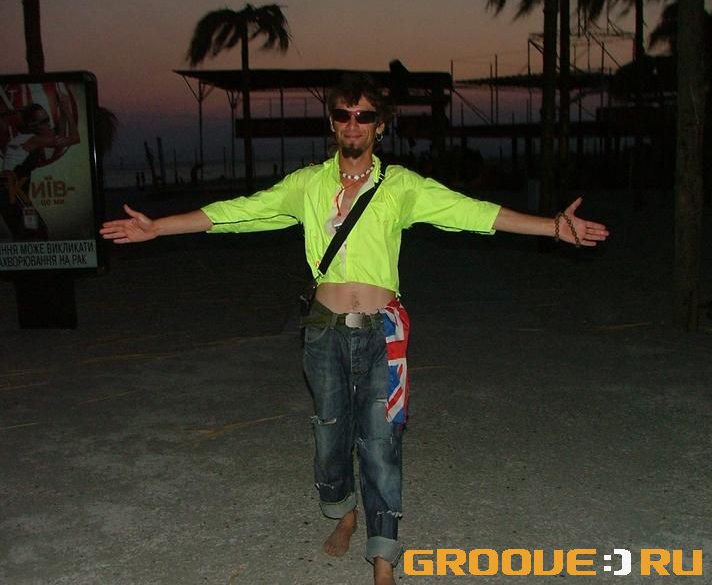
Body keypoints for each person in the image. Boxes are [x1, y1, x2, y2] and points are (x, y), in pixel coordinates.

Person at [100, 74, 609, 585]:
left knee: (381, 439)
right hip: (324, 332)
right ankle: (342, 511)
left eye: (364, 115)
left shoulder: (402, 186)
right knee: (330, 433)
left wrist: (552, 227)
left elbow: (474, 212)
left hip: (383, 333)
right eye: (344, 114)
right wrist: (157, 227)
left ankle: (383, 556)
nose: (353, 123)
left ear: (379, 126)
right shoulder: (307, 185)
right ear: (332, 122)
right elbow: (239, 212)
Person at [0, 94, 79, 240]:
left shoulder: (25, 138)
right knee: (36, 232)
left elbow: (60, 135)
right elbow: (74, 138)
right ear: (32, 125)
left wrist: (62, 111)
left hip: (13, 193)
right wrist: (67, 111)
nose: (48, 124)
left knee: (30, 233)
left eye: (48, 120)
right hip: (10, 191)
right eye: (43, 122)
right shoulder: (33, 140)